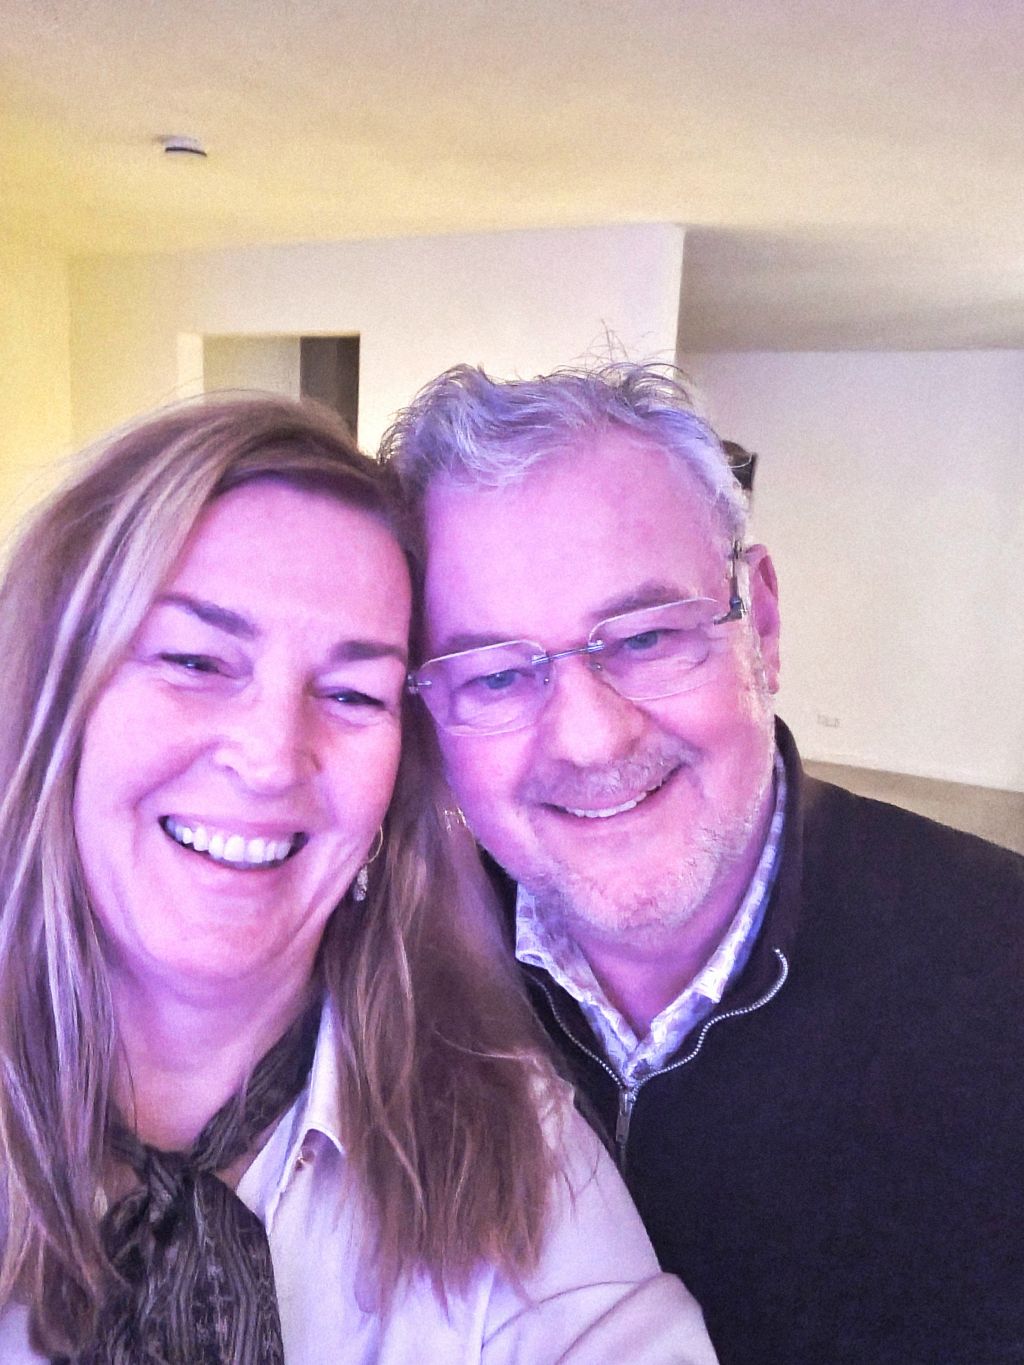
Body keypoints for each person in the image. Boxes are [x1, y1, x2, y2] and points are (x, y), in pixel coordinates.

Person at [0, 395, 717, 1363]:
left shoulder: (510, 1144)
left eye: (350, 692)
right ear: (56, 696)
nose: (270, 758)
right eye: (196, 659)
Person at [382, 362, 1024, 1365]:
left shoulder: (1002, 976)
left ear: (759, 624)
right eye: (496, 675)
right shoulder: (384, 982)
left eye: (645, 637)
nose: (590, 738)